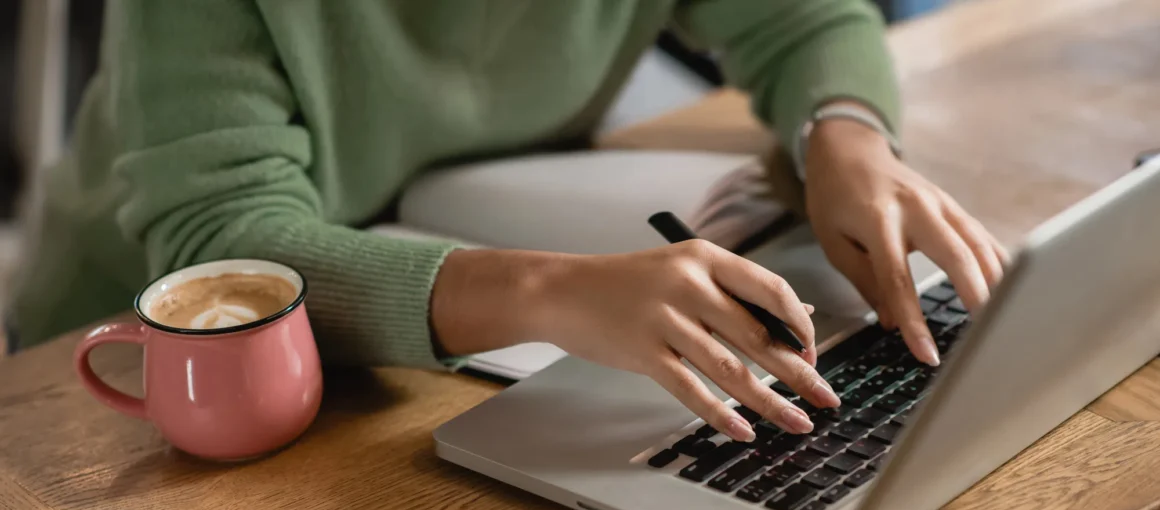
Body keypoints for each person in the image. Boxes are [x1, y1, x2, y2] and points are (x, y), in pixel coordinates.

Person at [7, 0, 1007, 442]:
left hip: (432, 309)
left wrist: (844, 135)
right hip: (129, 364)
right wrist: (545, 290)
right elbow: (217, 237)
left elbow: (802, 21)